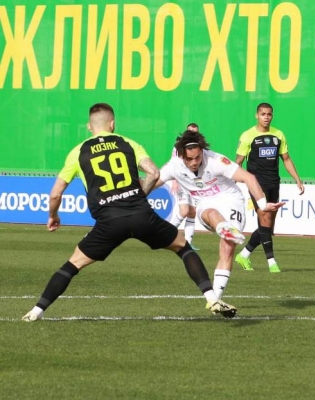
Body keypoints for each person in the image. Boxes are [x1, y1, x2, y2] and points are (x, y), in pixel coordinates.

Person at [22, 103, 237, 322]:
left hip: (109, 222)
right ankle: (212, 298)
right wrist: (139, 196)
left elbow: (55, 194)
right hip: (142, 215)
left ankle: (36, 311)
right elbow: (153, 173)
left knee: (72, 265)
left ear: (89, 126)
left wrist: (53, 216)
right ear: (112, 124)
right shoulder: (128, 143)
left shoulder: (78, 152)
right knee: (183, 247)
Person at [153, 130, 285, 303]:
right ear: (181, 155)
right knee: (211, 213)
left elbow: (249, 177)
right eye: (189, 159)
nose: (194, 162)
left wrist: (262, 204)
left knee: (227, 247)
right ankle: (224, 228)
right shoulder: (174, 166)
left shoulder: (216, 160)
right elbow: (152, 183)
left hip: (231, 201)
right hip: (205, 204)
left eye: (198, 157)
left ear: (202, 151)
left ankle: (215, 300)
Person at [234, 102, 304, 273]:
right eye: (263, 114)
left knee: (267, 227)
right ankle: (272, 262)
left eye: (269, 114)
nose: (266, 117)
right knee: (265, 219)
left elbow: (286, 159)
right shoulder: (248, 136)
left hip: (274, 182)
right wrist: (236, 182)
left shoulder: (278, 134)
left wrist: (297, 179)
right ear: (257, 115)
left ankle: (243, 255)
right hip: (256, 184)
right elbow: (238, 162)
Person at [169, 122, 200, 250]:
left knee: (192, 212)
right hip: (182, 181)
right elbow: (173, 163)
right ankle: (165, 234)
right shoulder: (178, 146)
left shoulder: (200, 147)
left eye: (195, 132)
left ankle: (188, 243)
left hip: (194, 183)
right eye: (190, 132)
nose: (193, 134)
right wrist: (174, 181)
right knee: (184, 211)